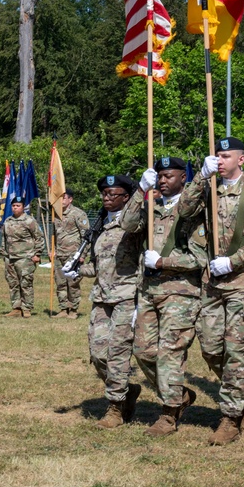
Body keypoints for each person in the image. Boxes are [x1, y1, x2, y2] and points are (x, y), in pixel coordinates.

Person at [177, 137, 244, 446]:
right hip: (212, 283)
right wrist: (200, 176)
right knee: (212, 348)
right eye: (217, 155)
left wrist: (233, 262)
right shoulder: (208, 189)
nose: (220, 160)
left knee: (236, 351)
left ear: (240, 160)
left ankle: (230, 417)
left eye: (226, 156)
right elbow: (184, 210)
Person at [120, 157, 208, 436]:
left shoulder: (195, 211)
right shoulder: (151, 207)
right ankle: (178, 394)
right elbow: (126, 224)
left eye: (169, 176)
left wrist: (163, 262)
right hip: (149, 290)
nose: (163, 180)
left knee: (170, 352)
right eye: (159, 176)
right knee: (143, 350)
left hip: (180, 291)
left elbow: (200, 258)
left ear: (184, 178)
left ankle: (169, 414)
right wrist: (139, 191)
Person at [64, 174, 144, 428]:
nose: (107, 198)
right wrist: (77, 270)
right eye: (105, 194)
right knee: (98, 354)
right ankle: (126, 391)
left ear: (126, 197)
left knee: (117, 352)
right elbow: (100, 267)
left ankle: (115, 408)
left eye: (114, 194)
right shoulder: (98, 227)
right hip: (101, 297)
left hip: (127, 297)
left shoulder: (136, 224)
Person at [1, 196, 44, 318]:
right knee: (13, 283)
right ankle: (16, 307)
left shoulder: (29, 221)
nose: (15, 208)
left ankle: (27, 308)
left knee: (25, 283)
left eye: (18, 205)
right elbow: (4, 238)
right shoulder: (8, 221)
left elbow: (38, 238)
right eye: (13, 206)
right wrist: (4, 253)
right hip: (10, 257)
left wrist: (38, 254)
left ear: (23, 207)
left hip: (25, 257)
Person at [52, 188, 89, 319]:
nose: (61, 200)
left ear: (70, 199)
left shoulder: (78, 214)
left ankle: (73, 309)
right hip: (59, 254)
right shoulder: (55, 214)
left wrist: (82, 255)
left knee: (73, 283)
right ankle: (63, 308)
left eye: (63, 198)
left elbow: (86, 236)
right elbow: (54, 234)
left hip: (73, 255)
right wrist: (53, 250)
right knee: (60, 283)